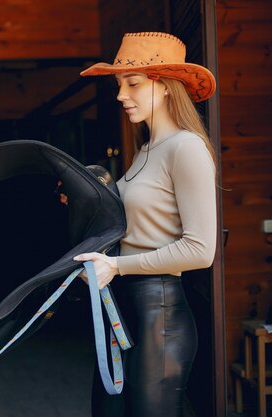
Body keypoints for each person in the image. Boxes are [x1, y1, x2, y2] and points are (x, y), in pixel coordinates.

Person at [73, 32, 218, 417]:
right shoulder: (144, 150)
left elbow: (201, 250)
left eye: (133, 83)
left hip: (161, 314)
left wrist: (116, 266)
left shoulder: (186, 148)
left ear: (167, 87)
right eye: (119, 84)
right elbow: (134, 228)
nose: (121, 94)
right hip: (124, 309)